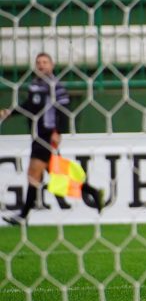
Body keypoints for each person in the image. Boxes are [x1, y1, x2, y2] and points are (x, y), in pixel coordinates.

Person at [1, 52, 104, 225]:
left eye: (45, 62)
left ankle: (23, 216)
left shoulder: (55, 85)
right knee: (57, 176)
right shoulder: (35, 85)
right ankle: (92, 191)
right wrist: (9, 113)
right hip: (37, 134)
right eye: (38, 62)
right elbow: (29, 106)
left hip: (47, 135)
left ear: (52, 65)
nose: (41, 65)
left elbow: (64, 109)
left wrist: (58, 132)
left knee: (33, 174)